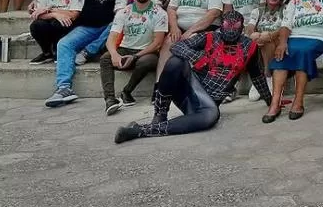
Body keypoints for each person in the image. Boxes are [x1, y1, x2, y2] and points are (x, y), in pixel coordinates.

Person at [113, 11, 273, 143]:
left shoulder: (250, 47)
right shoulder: (210, 37)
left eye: (235, 27)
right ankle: (160, 114)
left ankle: (139, 130)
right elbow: (177, 46)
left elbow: (258, 77)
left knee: (211, 116)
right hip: (189, 89)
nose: (231, 31)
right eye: (227, 26)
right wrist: (197, 57)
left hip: (207, 104)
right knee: (175, 62)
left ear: (242, 28)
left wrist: (271, 102)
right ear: (221, 26)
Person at [43, 0, 128, 107]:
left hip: (111, 27)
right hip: (86, 27)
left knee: (121, 21)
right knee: (64, 44)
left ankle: (87, 51)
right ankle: (64, 88)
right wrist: (38, 2)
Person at [101, 0, 167, 115]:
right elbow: (111, 39)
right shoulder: (123, 12)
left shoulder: (160, 13)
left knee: (147, 61)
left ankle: (126, 91)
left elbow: (157, 43)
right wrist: (114, 54)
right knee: (105, 58)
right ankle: (110, 99)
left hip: (147, 51)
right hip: (125, 49)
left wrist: (135, 56)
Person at [27, 0, 85, 65]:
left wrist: (49, 9)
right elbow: (37, 14)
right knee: (36, 25)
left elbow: (74, 14)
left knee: (59, 23)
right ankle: (47, 53)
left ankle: (58, 51)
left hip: (70, 23)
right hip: (51, 21)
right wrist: (55, 15)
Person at [246, 0, 287, 98]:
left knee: (267, 41)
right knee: (254, 39)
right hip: (260, 43)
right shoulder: (257, 11)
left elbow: (285, 27)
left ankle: (267, 75)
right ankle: (258, 78)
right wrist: (253, 35)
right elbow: (250, 27)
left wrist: (270, 35)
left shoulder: (286, 10)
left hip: (279, 43)